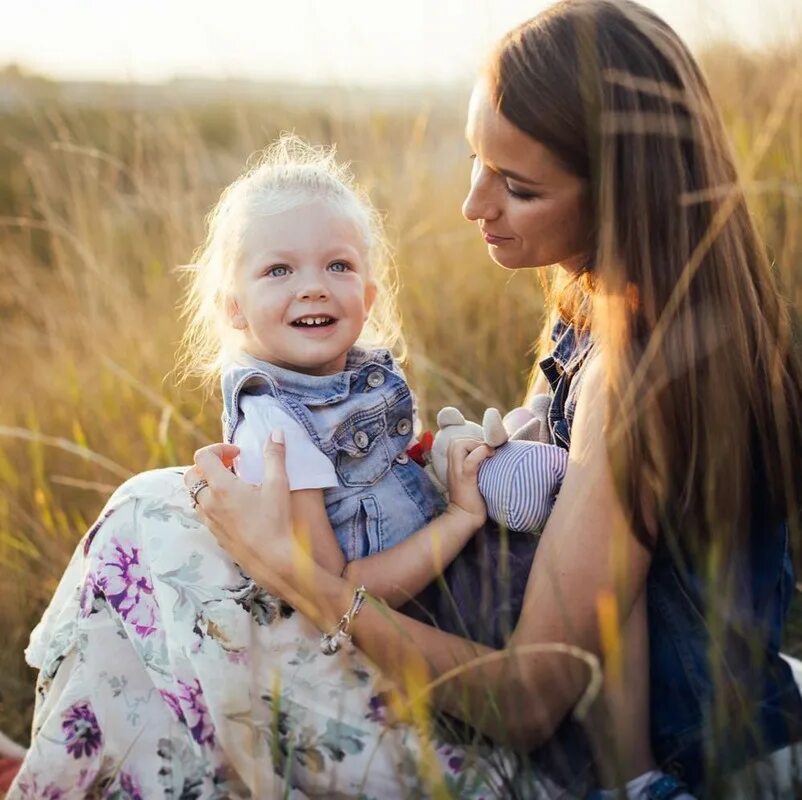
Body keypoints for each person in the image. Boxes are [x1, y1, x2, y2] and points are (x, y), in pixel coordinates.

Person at [10, 0, 802, 798]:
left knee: (155, 524)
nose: (474, 205)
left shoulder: (643, 377)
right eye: (475, 160)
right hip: (545, 692)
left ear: (618, 193)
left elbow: (531, 697)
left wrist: (298, 575)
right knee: (169, 525)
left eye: (518, 187)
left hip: (617, 760)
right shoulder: (599, 302)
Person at [8, 137, 570, 798]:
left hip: (431, 596)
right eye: (278, 270)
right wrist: (461, 518)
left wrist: (445, 460)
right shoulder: (277, 428)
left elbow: (396, 470)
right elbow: (341, 584)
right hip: (383, 631)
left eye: (337, 265)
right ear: (233, 308)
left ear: (367, 292)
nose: (312, 285)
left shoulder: (363, 376)